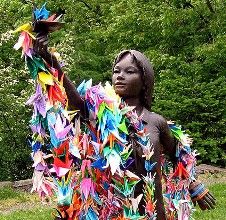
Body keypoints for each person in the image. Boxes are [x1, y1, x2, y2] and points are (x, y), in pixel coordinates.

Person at [34, 36, 215, 219]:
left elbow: (178, 154)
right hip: (115, 209)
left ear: (145, 80)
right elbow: (77, 103)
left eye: (129, 71)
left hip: (152, 210)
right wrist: (52, 61)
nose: (120, 76)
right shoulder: (102, 116)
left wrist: (194, 185)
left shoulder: (156, 122)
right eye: (116, 71)